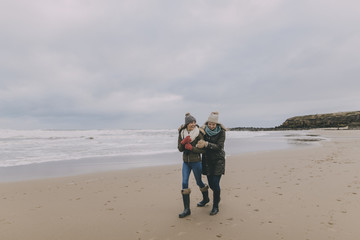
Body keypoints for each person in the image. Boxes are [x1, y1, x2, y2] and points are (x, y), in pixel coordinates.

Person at [177, 113, 209, 218]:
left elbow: (203, 150)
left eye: (194, 122)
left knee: (199, 182)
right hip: (186, 162)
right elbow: (180, 149)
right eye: (191, 122)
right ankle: (187, 209)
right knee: (184, 183)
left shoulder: (199, 134)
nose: (193, 124)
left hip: (196, 161)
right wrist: (183, 142)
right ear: (187, 124)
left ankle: (206, 199)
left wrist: (192, 148)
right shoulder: (182, 133)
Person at [196, 112, 226, 215]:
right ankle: (217, 197)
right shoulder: (204, 131)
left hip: (218, 160)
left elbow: (219, 147)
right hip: (207, 161)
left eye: (213, 124)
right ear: (207, 123)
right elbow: (194, 131)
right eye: (210, 124)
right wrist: (182, 128)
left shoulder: (221, 132)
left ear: (217, 124)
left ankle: (215, 206)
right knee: (211, 185)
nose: (211, 126)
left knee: (215, 184)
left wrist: (206, 144)